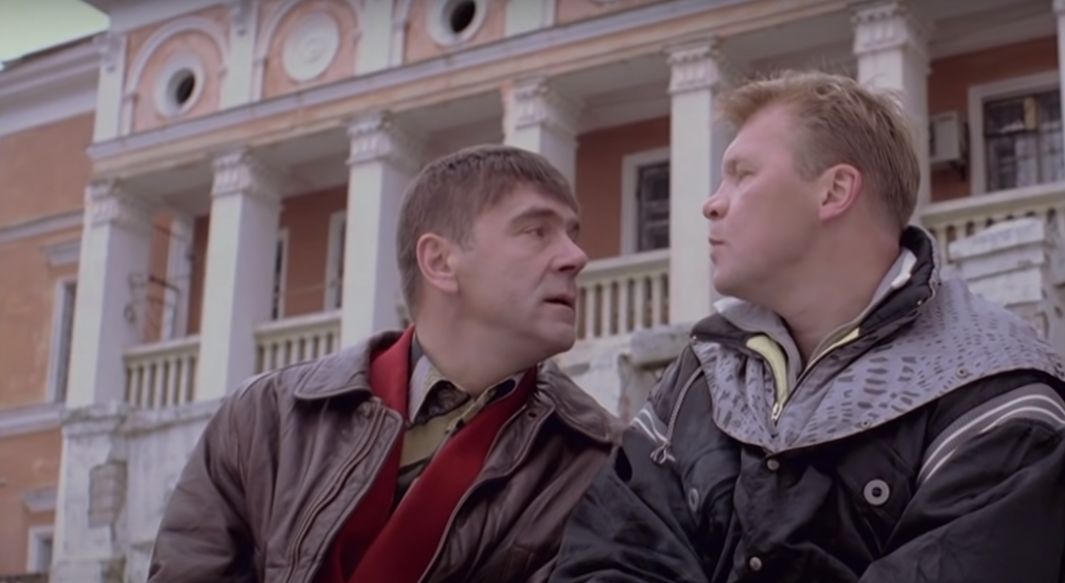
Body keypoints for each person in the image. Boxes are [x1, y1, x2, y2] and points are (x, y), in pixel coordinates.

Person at [549, 71, 1065, 582]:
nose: (711, 202)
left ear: (834, 191)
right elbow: (607, 560)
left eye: (742, 174)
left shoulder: (993, 387)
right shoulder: (699, 375)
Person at [149, 144, 620, 583]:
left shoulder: (603, 465)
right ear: (440, 262)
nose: (576, 257)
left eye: (572, 234)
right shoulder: (263, 421)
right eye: (537, 231)